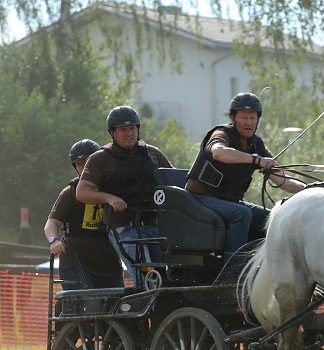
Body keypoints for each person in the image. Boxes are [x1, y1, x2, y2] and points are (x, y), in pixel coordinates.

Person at [185, 92, 305, 260]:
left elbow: (284, 182)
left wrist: (310, 190)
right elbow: (219, 152)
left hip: (230, 202)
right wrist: (257, 160)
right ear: (233, 119)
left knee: (271, 218)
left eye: (253, 118)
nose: (249, 123)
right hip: (200, 197)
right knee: (241, 213)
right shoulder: (222, 134)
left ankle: (260, 264)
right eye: (244, 117)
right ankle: (232, 270)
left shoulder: (257, 145)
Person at [76, 106, 173, 287]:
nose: (129, 133)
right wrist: (109, 198)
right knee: (146, 280)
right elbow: (82, 192)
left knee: (167, 278)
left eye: (132, 128)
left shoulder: (153, 152)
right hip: (126, 229)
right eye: (123, 130)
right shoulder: (100, 159)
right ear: (112, 133)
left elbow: (173, 181)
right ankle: (143, 314)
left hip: (157, 227)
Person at [44, 140, 125, 291]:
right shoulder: (70, 192)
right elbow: (52, 222)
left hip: (109, 265)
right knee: (85, 306)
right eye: (78, 164)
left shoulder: (114, 188)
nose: (83, 167)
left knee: (118, 310)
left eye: (87, 161)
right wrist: (53, 241)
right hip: (75, 263)